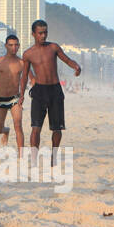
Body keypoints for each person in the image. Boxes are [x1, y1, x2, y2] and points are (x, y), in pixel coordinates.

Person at [21, 20, 81, 154]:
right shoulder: (28, 54)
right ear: (33, 34)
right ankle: (34, 157)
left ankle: (54, 155)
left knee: (57, 128)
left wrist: (76, 66)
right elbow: (24, 76)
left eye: (45, 32)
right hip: (39, 91)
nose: (43, 36)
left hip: (55, 90)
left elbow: (67, 60)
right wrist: (21, 96)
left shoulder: (53, 47)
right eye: (40, 33)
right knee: (36, 127)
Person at [0, 34, 26, 149]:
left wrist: (23, 94)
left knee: (18, 125)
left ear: (19, 46)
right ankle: (6, 131)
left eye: (16, 45)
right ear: (6, 46)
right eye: (11, 45)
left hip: (15, 99)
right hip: (1, 98)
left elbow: (29, 79)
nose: (14, 48)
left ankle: (21, 155)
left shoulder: (22, 63)